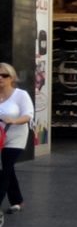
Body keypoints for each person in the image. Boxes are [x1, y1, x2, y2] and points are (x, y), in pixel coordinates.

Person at [0, 63, 34, 217]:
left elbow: (28, 115)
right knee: (8, 170)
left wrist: (13, 121)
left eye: (4, 75)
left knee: (4, 169)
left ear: (12, 77)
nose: (0, 78)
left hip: (15, 137)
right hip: (0, 138)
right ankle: (17, 201)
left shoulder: (20, 95)